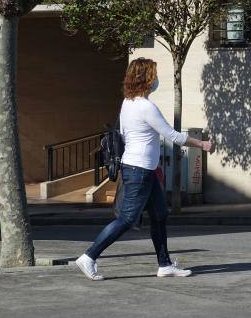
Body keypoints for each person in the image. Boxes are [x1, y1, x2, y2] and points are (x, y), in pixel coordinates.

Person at [75, 57, 214, 281]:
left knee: (159, 215)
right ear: (146, 79)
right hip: (139, 170)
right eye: (154, 75)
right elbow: (173, 136)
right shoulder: (146, 106)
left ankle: (165, 265)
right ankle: (89, 256)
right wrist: (202, 144)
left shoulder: (127, 104)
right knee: (127, 219)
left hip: (143, 169)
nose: (157, 79)